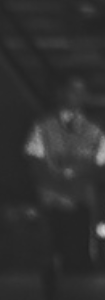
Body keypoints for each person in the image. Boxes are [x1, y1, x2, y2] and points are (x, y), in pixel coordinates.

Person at [24, 77, 105, 270]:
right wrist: (54, 184)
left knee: (79, 256)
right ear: (61, 93)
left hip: (82, 202)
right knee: (50, 253)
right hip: (51, 201)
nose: (77, 96)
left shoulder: (95, 131)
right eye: (72, 91)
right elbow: (34, 161)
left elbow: (100, 165)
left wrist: (80, 175)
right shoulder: (43, 127)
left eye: (81, 92)